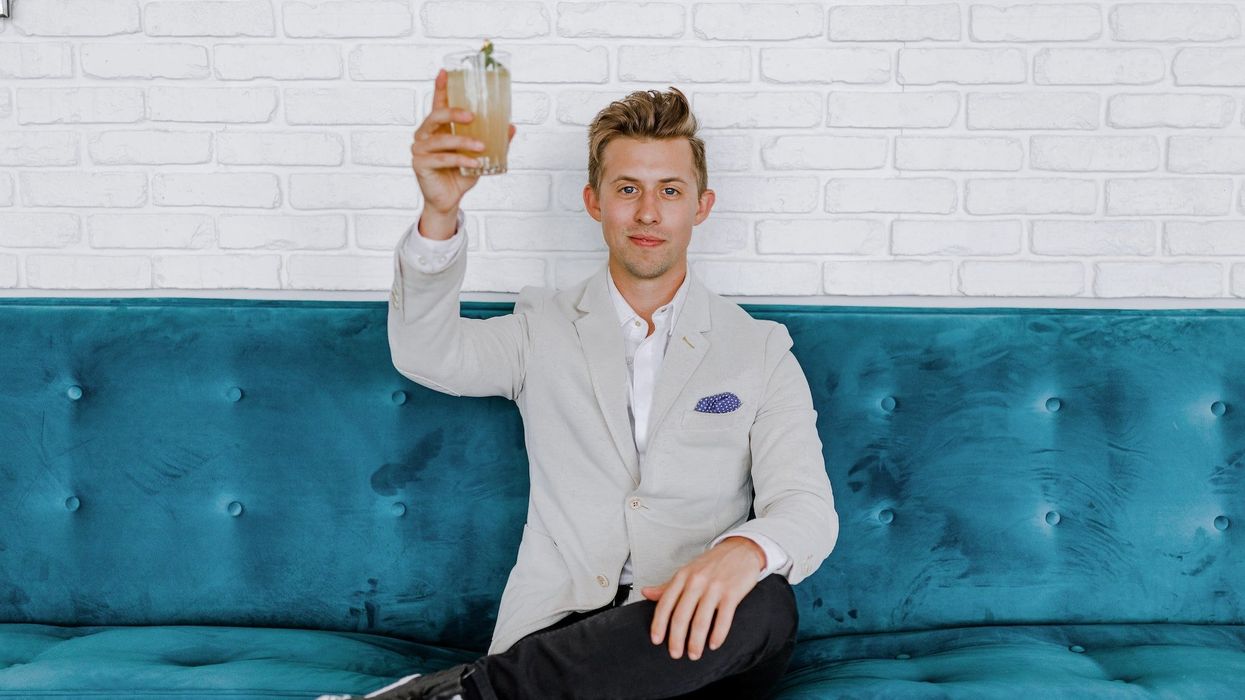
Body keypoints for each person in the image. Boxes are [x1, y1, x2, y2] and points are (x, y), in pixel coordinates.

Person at [320, 70, 838, 700]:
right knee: (592, 664)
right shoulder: (541, 327)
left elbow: (807, 509)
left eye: (670, 190)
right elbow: (426, 352)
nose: (648, 212)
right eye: (627, 189)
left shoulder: (759, 349)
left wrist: (741, 553)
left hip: (696, 638)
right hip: (563, 632)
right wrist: (440, 212)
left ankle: (457, 696)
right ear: (594, 201)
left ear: (702, 206)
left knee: (768, 603)